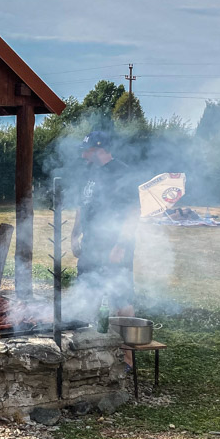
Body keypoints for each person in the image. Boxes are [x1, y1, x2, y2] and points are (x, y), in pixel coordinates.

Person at [70, 130, 138, 321]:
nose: (83, 155)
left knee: (120, 299)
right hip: (90, 246)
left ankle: (126, 351)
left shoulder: (123, 173)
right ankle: (92, 345)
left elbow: (133, 213)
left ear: (100, 149)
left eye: (86, 151)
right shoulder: (89, 172)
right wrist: (75, 236)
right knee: (86, 294)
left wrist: (120, 246)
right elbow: (81, 206)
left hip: (114, 246)